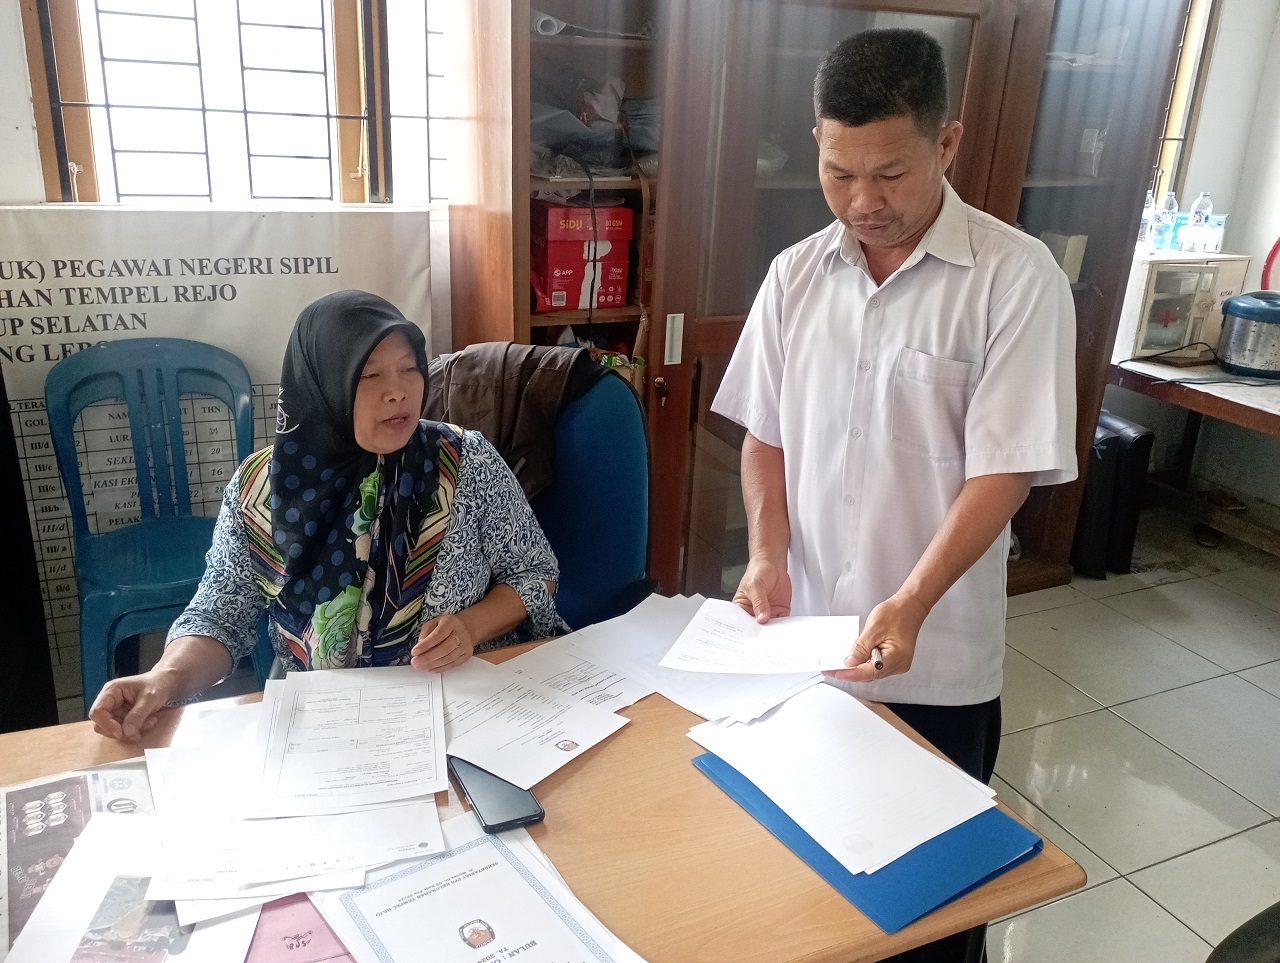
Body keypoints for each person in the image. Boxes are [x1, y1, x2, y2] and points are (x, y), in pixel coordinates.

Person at [711, 29, 1076, 963]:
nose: (863, 203)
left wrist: (910, 600)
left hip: (936, 667)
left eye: (891, 175)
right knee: (806, 897)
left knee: (929, 922)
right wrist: (764, 552)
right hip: (806, 658)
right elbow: (765, 435)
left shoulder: (1012, 277)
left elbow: (1005, 469)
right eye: (839, 174)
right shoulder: (796, 275)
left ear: (947, 144)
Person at [90, 290, 563, 742]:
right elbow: (221, 614)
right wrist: (164, 679)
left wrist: (471, 626)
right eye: (369, 376)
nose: (398, 392)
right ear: (322, 384)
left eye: (409, 370)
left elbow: (536, 574)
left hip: (466, 708)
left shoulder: (464, 462)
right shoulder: (260, 491)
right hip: (327, 727)